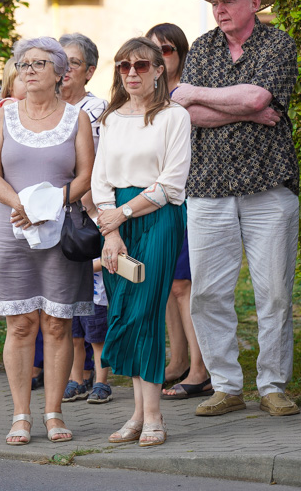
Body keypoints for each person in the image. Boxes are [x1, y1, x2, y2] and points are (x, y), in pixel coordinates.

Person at [173, 0, 300, 417]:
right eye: (214, 1)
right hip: (207, 188)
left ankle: (272, 385)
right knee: (208, 292)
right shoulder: (203, 46)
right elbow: (186, 114)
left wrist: (198, 95)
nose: (219, 8)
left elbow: (256, 97)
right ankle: (226, 386)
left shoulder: (278, 43)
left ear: (253, 4)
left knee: (275, 293)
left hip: (269, 187)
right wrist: (237, 107)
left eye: (228, 0)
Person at [0, 37, 94, 445]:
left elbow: (84, 176)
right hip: (10, 229)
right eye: (23, 63)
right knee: (21, 324)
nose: (28, 70)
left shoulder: (76, 118)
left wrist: (47, 205)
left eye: (39, 63)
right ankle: (21, 414)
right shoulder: (2, 119)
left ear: (60, 73)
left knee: (58, 325)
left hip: (60, 230)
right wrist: (22, 205)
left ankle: (54, 412)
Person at [93, 37, 190, 446]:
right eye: (123, 67)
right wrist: (111, 229)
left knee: (145, 313)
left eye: (141, 66)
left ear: (158, 72)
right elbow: (100, 180)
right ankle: (136, 415)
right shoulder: (111, 118)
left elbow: (171, 183)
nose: (131, 73)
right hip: (115, 224)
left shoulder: (174, 116)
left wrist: (124, 213)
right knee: (125, 309)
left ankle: (154, 418)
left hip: (157, 219)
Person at [145, 23, 209, 400]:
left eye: (165, 51)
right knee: (168, 284)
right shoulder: (143, 93)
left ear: (180, 55)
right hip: (151, 198)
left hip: (189, 196)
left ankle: (201, 369)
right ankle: (179, 359)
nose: (158, 59)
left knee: (186, 285)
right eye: (150, 53)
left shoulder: (187, 92)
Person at [58, 32, 106, 401]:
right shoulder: (45, 109)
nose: (64, 70)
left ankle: (102, 375)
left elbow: (102, 167)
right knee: (66, 301)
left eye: (72, 62)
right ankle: (76, 376)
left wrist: (88, 205)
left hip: (90, 215)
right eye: (58, 61)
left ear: (89, 71)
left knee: (97, 302)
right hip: (54, 215)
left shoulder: (100, 111)